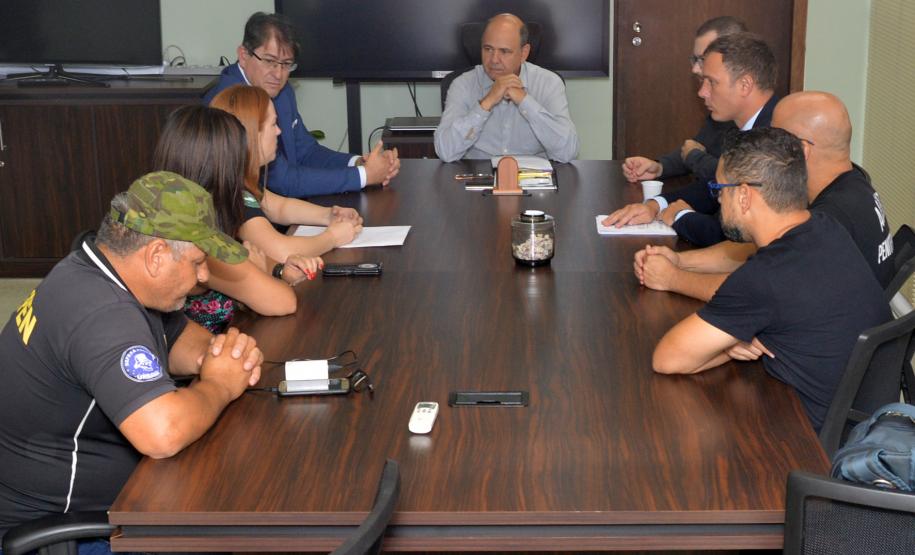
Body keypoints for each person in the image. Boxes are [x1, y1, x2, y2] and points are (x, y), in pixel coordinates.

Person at [0, 172, 264, 543]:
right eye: (197, 262)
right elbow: (163, 434)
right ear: (156, 256)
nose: (204, 275)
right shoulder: (102, 313)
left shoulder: (98, 269)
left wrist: (220, 355)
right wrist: (219, 384)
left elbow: (177, 338)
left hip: (120, 496)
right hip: (69, 533)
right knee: (235, 524)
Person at [652, 128, 890, 432]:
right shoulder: (826, 227)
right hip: (862, 422)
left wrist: (726, 347)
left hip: (806, 442)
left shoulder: (766, 276)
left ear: (743, 196)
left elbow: (667, 358)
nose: (719, 199)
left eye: (719, 189)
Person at [634, 91, 895, 300]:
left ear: (801, 150)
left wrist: (673, 278)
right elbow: (760, 249)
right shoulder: (852, 180)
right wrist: (680, 260)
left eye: (775, 137)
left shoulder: (828, 220)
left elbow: (756, 291)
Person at [153, 105, 323, 332]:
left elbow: (244, 258)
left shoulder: (178, 211)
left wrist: (280, 270)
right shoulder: (196, 239)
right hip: (209, 350)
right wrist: (262, 272)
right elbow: (283, 302)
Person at [604, 32, 779, 247]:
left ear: (745, 85)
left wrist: (680, 216)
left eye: (711, 82)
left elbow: (735, 239)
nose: (702, 92)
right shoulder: (743, 124)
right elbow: (714, 187)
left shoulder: (774, 137)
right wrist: (655, 205)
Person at [204, 12, 400, 198]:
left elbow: (306, 152)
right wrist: (364, 175)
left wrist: (358, 163)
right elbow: (281, 181)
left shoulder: (281, 91)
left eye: (286, 64)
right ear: (243, 55)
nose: (278, 74)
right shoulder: (229, 102)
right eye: (270, 61)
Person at [210, 84, 363, 264]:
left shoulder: (232, 176)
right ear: (252, 134)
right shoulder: (231, 192)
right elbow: (281, 251)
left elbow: (278, 207)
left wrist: (329, 215)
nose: (279, 131)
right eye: (273, 124)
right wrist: (332, 238)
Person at [434, 13, 579, 163]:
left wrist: (525, 101)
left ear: (523, 53)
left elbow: (567, 152)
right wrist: (486, 103)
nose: (494, 60)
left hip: (532, 175)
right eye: (488, 49)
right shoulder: (462, 84)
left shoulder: (549, 83)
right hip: (479, 173)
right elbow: (445, 151)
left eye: (504, 51)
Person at [621, 16, 747, 185]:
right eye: (694, 59)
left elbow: (736, 179)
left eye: (703, 59)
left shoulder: (769, 119)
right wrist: (660, 167)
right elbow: (694, 147)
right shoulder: (721, 108)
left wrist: (694, 157)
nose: (694, 69)